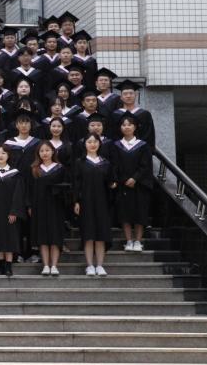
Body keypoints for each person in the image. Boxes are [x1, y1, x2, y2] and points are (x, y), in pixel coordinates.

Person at [73, 133, 116, 276]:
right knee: (88, 234)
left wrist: (113, 185)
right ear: (84, 144)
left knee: (101, 235)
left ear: (99, 144)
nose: (92, 144)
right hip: (85, 202)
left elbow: (111, 181)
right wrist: (76, 201)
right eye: (89, 142)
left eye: (95, 142)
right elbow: (76, 183)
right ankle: (90, 265)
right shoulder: (80, 162)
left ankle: (100, 265)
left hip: (102, 203)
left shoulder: (106, 163)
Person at [110, 114, 152, 252]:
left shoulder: (143, 145)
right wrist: (122, 180)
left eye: (129, 124)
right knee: (125, 214)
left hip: (139, 185)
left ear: (135, 127)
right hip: (123, 186)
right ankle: (128, 241)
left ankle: (138, 241)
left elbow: (146, 165)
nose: (126, 127)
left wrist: (135, 178)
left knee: (140, 214)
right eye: (124, 125)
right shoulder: (116, 145)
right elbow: (114, 165)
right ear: (120, 128)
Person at [0, 144, 26, 277]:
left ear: (8, 155)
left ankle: (8, 265)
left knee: (10, 236)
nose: (0, 156)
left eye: (3, 153)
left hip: (10, 210)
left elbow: (19, 194)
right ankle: (0, 264)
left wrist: (14, 211)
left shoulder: (15, 173)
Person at [28, 141, 67, 276]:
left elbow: (66, 188)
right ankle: (45, 265)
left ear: (53, 152)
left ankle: (54, 265)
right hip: (39, 206)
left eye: (47, 150)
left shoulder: (60, 168)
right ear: (38, 153)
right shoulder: (34, 169)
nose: (44, 153)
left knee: (55, 236)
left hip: (56, 206)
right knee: (42, 236)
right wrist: (30, 205)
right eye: (42, 151)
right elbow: (30, 190)